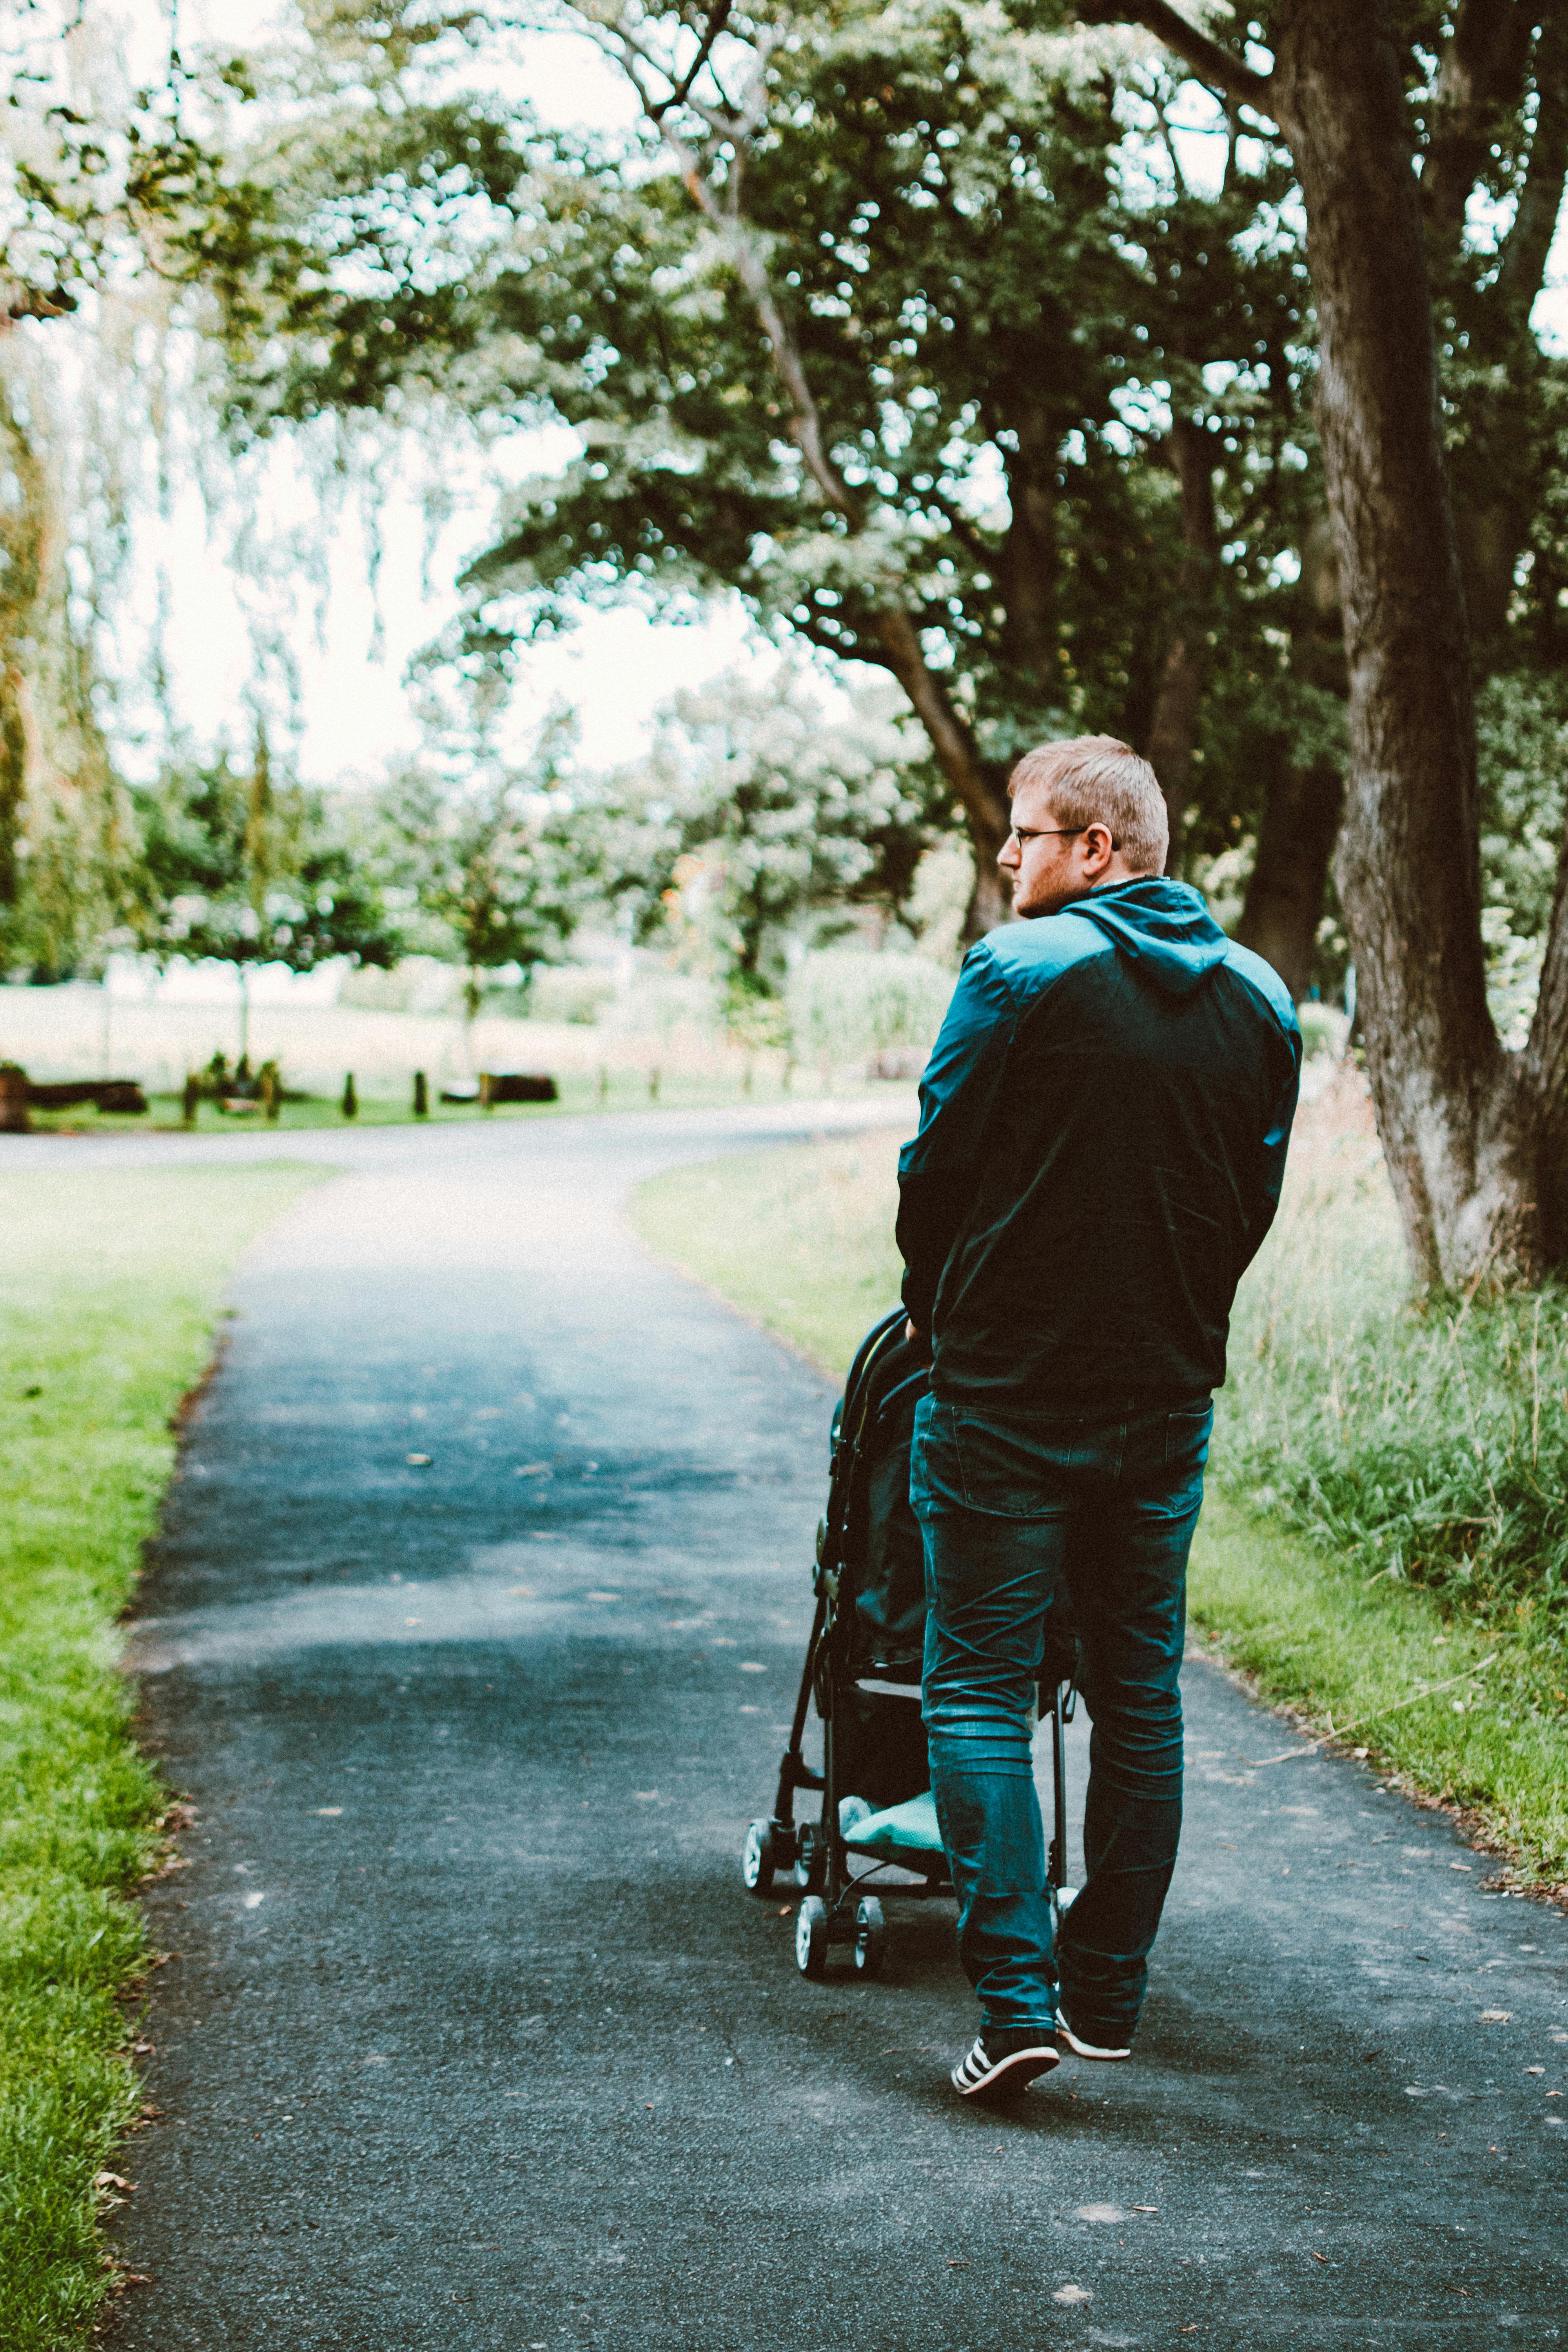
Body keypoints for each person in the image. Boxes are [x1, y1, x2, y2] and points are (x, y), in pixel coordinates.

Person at [897, 735, 1300, 2100]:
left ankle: (1016, 2003)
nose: (1007, 858)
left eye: (1025, 836)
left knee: (975, 1689)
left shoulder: (1017, 972)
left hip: (1005, 1400)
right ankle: (1105, 1996)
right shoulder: (1262, 998)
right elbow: (1251, 1201)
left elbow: (935, 1164)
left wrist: (938, 1310)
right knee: (1140, 1696)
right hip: (1162, 1404)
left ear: (1098, 851)